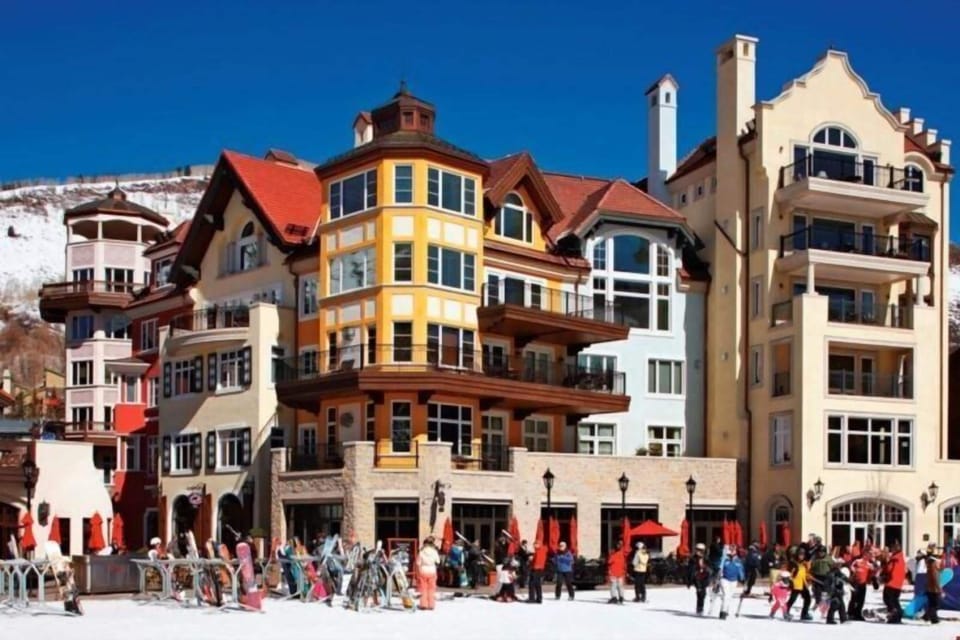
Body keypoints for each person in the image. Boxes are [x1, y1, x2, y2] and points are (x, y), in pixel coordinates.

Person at [717, 545, 744, 620]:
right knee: (726, 595)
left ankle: (726, 610)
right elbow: (720, 568)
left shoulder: (738, 560)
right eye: (731, 550)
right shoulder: (724, 559)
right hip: (725, 579)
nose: (732, 551)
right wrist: (719, 574)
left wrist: (742, 578)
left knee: (730, 596)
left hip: (734, 580)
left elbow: (740, 570)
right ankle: (723, 612)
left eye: (733, 550)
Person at [882, 541, 906, 624]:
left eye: (892, 548)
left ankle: (894, 615)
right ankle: (898, 615)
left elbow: (889, 569)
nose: (891, 550)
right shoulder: (901, 558)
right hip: (898, 584)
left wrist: (885, 564)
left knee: (888, 600)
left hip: (891, 582)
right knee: (895, 600)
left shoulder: (894, 559)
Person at [786, 547, 812, 621]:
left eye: (803, 555)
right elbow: (789, 573)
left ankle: (804, 614)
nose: (801, 556)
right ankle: (786, 612)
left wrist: (808, 577)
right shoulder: (793, 563)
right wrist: (790, 581)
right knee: (792, 599)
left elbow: (805, 573)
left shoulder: (804, 564)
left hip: (803, 584)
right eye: (800, 554)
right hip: (796, 584)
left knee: (808, 599)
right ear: (797, 555)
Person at [417, 536, 440, 610]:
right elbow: (438, 561)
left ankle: (424, 604)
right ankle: (431, 604)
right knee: (431, 588)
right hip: (432, 570)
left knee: (423, 588)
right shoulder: (434, 552)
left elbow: (418, 563)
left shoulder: (421, 552)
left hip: (423, 570)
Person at [847, 552, 870, 621]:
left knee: (861, 600)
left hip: (863, 584)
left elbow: (874, 571)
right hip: (855, 583)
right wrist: (855, 571)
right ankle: (850, 613)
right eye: (866, 555)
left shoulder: (868, 564)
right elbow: (851, 566)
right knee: (854, 598)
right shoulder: (857, 561)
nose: (867, 556)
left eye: (868, 555)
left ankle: (858, 613)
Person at [688, 548, 712, 616]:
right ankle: (699, 609)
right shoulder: (693, 559)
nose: (699, 552)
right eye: (698, 550)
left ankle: (700, 608)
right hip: (697, 578)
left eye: (701, 551)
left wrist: (705, 567)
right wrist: (689, 581)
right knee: (699, 592)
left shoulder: (706, 559)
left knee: (703, 593)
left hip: (704, 578)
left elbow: (710, 568)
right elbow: (690, 569)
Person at [923, 544, 942, 624]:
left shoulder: (929, 561)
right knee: (935, 604)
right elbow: (935, 576)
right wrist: (939, 588)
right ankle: (932, 618)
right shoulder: (933, 563)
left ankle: (929, 617)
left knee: (932, 603)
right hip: (934, 587)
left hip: (930, 586)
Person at [607, 539, 626, 604]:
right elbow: (623, 563)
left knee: (613, 585)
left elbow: (609, 561)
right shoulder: (622, 553)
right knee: (620, 586)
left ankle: (614, 597)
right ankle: (621, 597)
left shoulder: (613, 554)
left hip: (613, 572)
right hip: (620, 572)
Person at [528, 539, 547, 603]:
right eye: (534, 544)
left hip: (536, 569)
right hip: (540, 569)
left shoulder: (539, 551)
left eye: (535, 544)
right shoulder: (541, 550)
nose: (534, 545)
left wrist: (531, 562)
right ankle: (539, 598)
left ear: (539, 544)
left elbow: (537, 561)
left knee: (532, 584)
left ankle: (532, 598)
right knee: (537, 584)